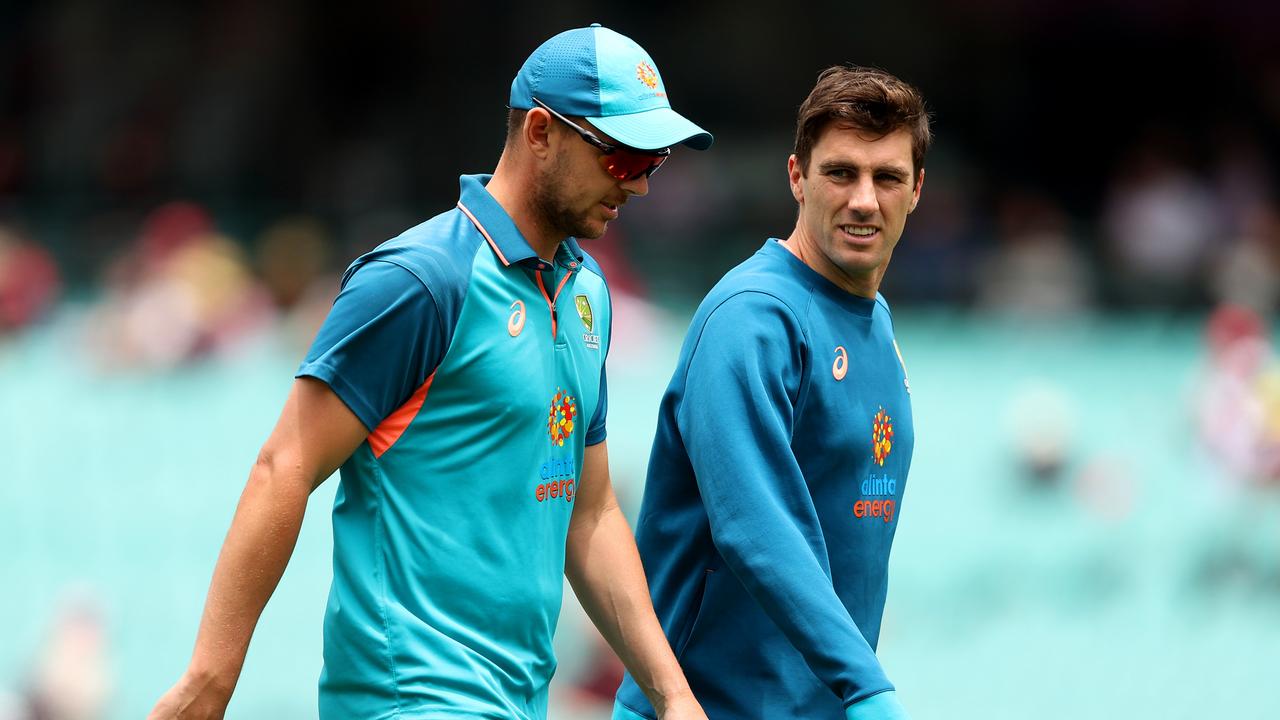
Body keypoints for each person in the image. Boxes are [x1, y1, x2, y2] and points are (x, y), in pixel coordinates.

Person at [149, 24, 712, 720]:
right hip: (409, 699)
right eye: (622, 159)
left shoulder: (588, 292)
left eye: (652, 161)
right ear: (540, 132)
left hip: (518, 702)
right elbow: (284, 465)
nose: (642, 186)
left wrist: (673, 696)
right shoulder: (421, 281)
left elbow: (589, 514)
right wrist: (210, 680)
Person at [613, 65, 930, 720]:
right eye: (841, 173)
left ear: (916, 189)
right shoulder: (753, 317)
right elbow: (754, 522)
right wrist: (868, 689)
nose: (864, 199)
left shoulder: (874, 321)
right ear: (797, 178)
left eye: (887, 177)